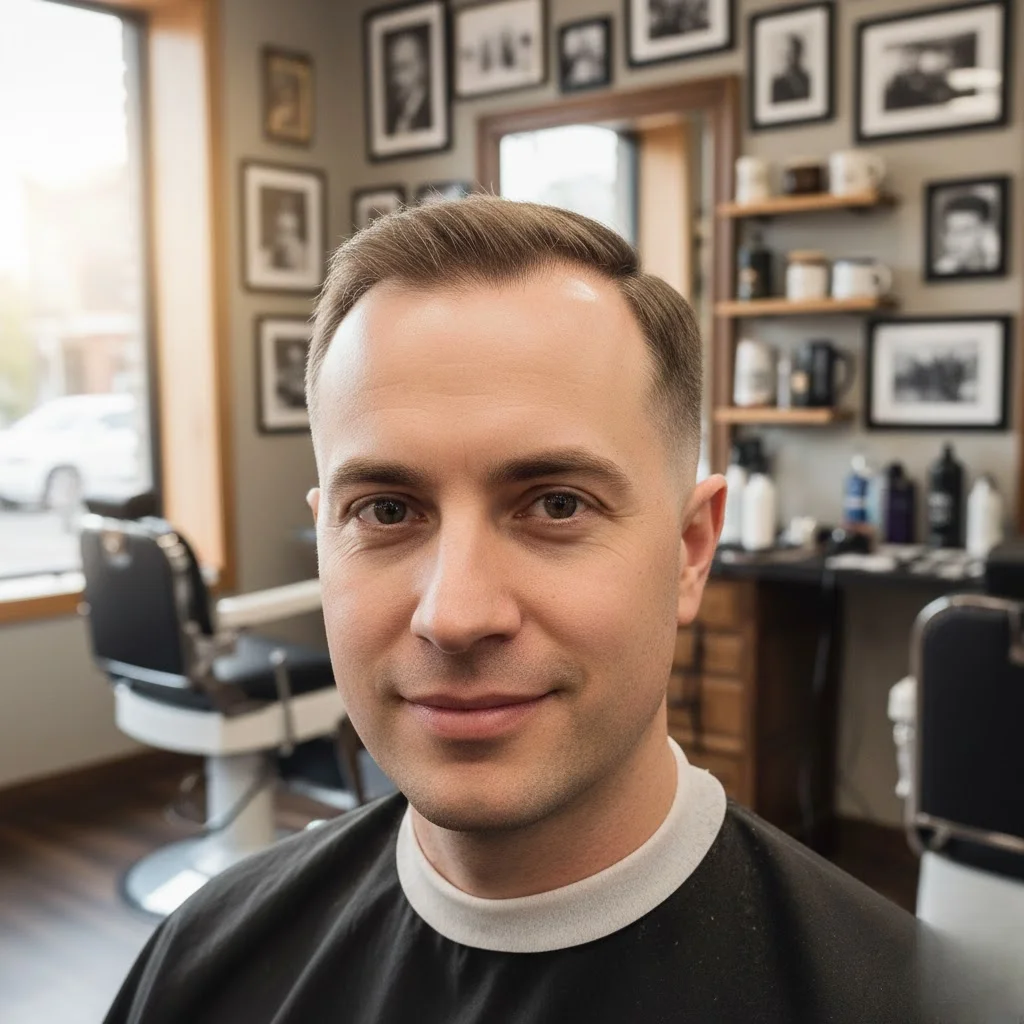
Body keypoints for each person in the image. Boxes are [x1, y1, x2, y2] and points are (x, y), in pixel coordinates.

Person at [105, 197, 974, 1023]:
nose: (455, 615)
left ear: (689, 550)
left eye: (557, 505)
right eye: (386, 510)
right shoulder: (203, 964)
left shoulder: (901, 1003)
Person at [935, 191, 1000, 274]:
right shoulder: (942, 269)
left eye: (964, 231)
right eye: (950, 230)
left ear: (986, 231)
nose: (954, 240)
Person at [385, 29, 430, 136]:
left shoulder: (429, 110)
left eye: (404, 67)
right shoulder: (392, 116)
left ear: (420, 67)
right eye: (395, 69)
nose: (397, 78)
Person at [771, 33, 811, 104]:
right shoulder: (777, 82)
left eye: (791, 53)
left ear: (798, 54)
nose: (787, 57)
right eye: (785, 53)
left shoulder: (806, 79)